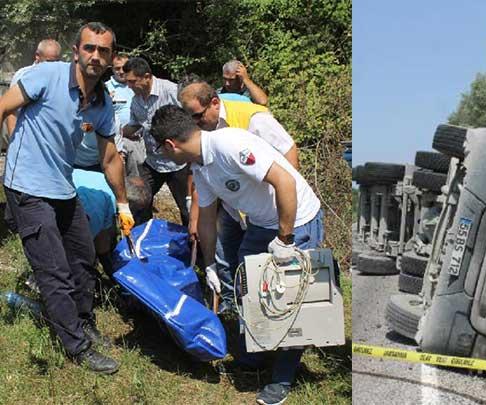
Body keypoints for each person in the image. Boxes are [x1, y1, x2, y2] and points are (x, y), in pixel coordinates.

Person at [150, 105, 323, 405]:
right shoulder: (200, 166)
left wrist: (285, 239)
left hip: (295, 219)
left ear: (170, 144)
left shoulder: (230, 145)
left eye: (163, 153)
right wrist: (211, 264)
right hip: (260, 223)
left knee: (292, 299)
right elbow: (206, 217)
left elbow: (286, 181)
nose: (166, 159)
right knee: (248, 288)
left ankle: (282, 377)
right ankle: (257, 352)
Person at [0, 22, 134, 374]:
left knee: (83, 257)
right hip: (26, 185)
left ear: (111, 58)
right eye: (89, 48)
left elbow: (109, 158)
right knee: (53, 268)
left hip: (62, 185)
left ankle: (84, 321)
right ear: (76, 51)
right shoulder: (47, 75)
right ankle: (76, 346)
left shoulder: (103, 101)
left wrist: (122, 204)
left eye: (103, 51)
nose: (95, 55)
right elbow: (3, 107)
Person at [179, 80, 298, 313]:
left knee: (271, 267)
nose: (195, 124)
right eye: (189, 119)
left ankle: (268, 314)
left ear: (214, 103)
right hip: (235, 207)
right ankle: (232, 306)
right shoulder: (202, 131)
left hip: (269, 209)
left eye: (197, 117)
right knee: (225, 256)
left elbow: (288, 150)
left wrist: (289, 200)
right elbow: (200, 177)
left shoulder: (254, 118)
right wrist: (194, 217)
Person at [121, 57, 190, 226]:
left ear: (146, 76)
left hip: (178, 163)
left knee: (187, 208)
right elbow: (135, 125)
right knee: (139, 201)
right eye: (127, 82)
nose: (129, 86)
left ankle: (195, 247)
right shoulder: (136, 100)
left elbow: (191, 118)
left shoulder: (171, 91)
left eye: (132, 82)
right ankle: (141, 240)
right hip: (152, 162)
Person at [3, 39, 62, 141]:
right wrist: (14, 140)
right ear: (37, 56)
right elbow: (11, 111)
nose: (52, 66)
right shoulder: (23, 75)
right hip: (25, 140)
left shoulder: (62, 77)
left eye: (56, 61)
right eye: (48, 61)